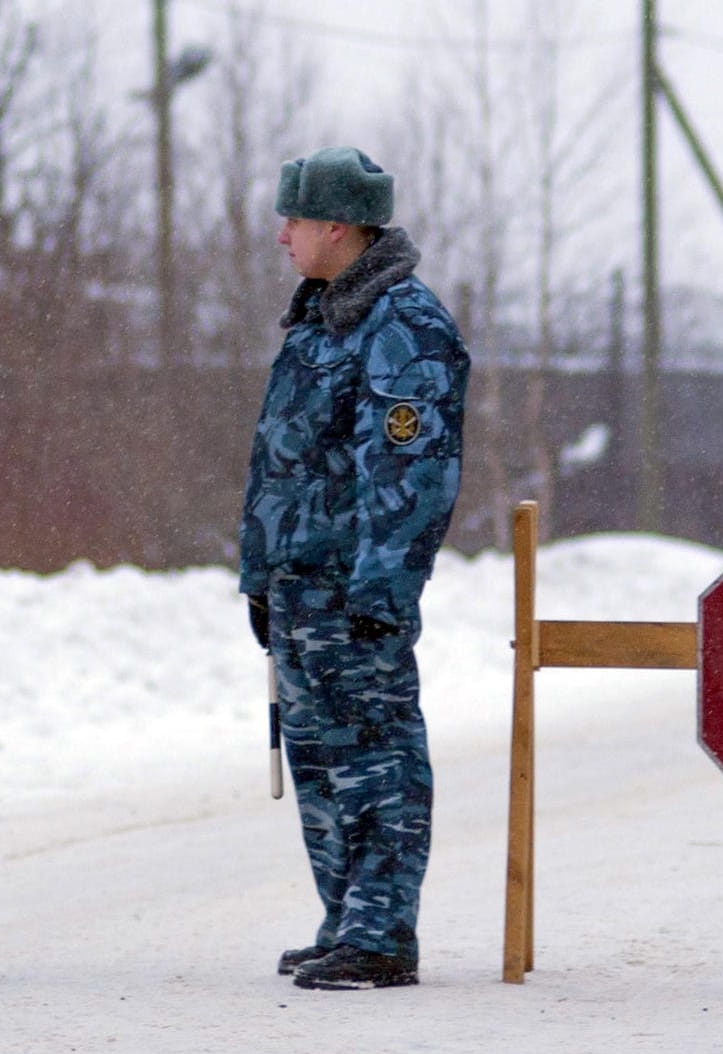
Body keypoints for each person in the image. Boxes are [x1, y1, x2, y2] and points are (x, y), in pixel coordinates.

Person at [239, 146, 470, 991]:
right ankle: (345, 917)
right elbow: (285, 464)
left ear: (336, 225)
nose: (281, 237)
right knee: (320, 759)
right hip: (302, 588)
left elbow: (411, 472)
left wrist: (383, 588)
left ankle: (382, 933)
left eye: (292, 220)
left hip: (352, 592)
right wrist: (260, 575)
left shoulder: (401, 325)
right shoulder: (321, 319)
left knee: (376, 757)